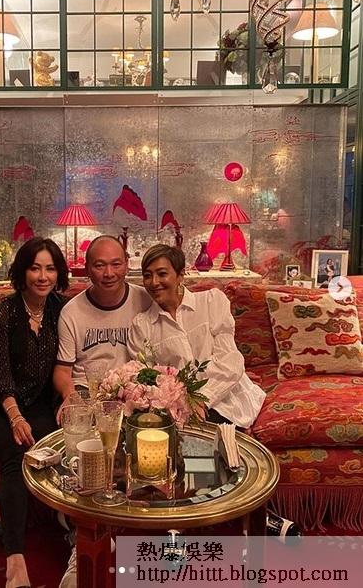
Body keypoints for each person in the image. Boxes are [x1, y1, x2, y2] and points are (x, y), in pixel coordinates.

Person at [0, 237, 69, 588]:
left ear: (59, 274)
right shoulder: (3, 314)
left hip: (34, 403)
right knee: (16, 452)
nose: (43, 276)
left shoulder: (62, 310)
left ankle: (21, 513)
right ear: (22, 272)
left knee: (51, 446)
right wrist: (15, 417)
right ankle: (15, 561)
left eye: (50, 268)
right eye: (35, 268)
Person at [53, 234, 151, 587]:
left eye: (116, 264)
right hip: (88, 391)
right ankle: (80, 543)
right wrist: (70, 396)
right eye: (99, 265)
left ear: (127, 265)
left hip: (135, 389)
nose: (109, 273)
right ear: (86, 269)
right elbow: (63, 369)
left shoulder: (143, 299)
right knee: (87, 448)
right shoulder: (72, 312)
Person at [127, 244, 266, 429]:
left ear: (180, 275)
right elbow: (147, 379)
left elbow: (230, 360)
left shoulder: (211, 302)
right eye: (147, 275)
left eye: (162, 274)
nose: (154, 282)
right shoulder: (141, 325)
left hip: (226, 399)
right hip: (177, 410)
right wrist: (178, 406)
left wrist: (203, 400)